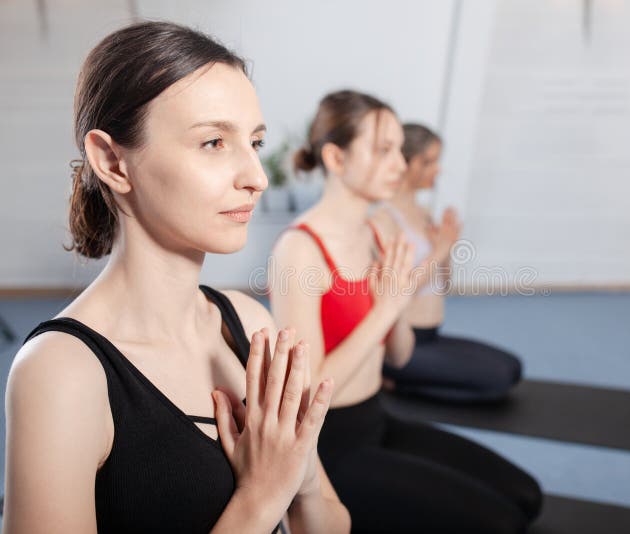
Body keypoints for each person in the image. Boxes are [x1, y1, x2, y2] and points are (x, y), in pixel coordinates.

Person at [3, 21, 350, 534]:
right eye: (213, 142)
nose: (257, 176)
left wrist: (304, 485)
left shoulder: (248, 323)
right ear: (112, 160)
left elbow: (331, 525)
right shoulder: (61, 373)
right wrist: (259, 499)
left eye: (254, 142)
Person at [269, 90, 543, 533]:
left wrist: (391, 307)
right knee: (502, 523)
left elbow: (399, 355)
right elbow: (308, 393)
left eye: (399, 148)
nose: (399, 163)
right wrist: (388, 306)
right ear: (336, 158)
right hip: (330, 448)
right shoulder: (299, 251)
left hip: (377, 419)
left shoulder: (375, 233)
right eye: (383, 149)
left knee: (527, 496)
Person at [370, 123, 523, 402]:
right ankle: (393, 381)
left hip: (432, 335)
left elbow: (443, 284)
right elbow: (396, 293)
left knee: (513, 367)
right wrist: (439, 249)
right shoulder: (383, 219)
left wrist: (447, 248)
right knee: (498, 379)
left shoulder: (423, 212)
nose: (437, 169)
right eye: (428, 162)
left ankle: (403, 377)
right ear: (405, 163)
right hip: (404, 342)